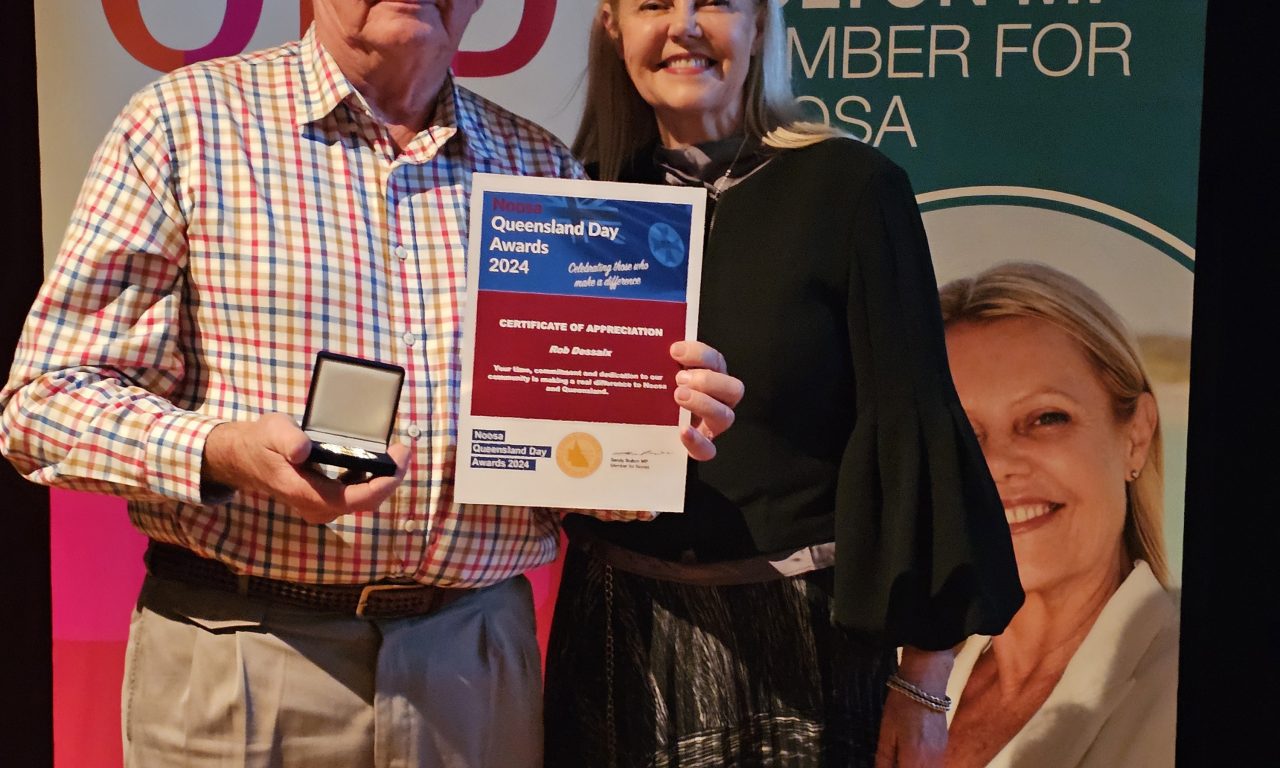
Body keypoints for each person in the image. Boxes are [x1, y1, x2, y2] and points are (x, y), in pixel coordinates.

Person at [0, 2, 742, 766]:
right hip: (244, 657)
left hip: (476, 668)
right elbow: (44, 405)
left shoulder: (538, 166)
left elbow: (573, 463)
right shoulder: (184, 124)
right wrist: (224, 451)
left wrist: (652, 431)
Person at [542, 2, 1024, 767]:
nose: (684, 25)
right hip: (613, 632)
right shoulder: (573, 198)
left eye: (714, 3)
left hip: (806, 644)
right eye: (653, 4)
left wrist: (924, 683)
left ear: (760, 25)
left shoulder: (852, 188)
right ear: (612, 25)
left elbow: (914, 430)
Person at [938, 262, 1178, 768]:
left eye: (1047, 418)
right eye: (960, 436)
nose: (997, 464)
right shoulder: (897, 675)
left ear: (1136, 437)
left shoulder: (1212, 684)